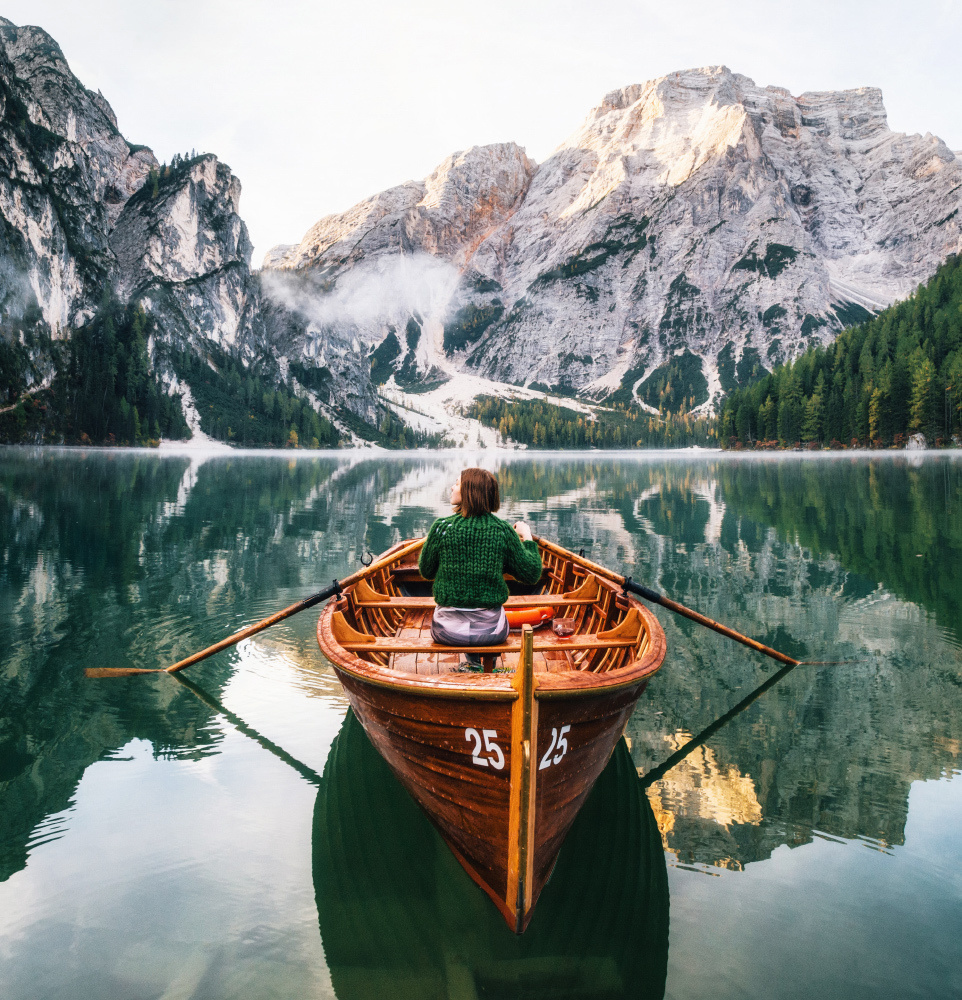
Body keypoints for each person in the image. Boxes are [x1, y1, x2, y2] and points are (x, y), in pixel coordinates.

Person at [418, 468, 543, 669]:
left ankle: (472, 664)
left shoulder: (442, 528)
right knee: (488, 615)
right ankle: (485, 665)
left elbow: (426, 571)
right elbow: (531, 574)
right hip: (491, 632)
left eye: (457, 483)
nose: (452, 487)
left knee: (467, 616)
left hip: (446, 631)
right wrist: (526, 537)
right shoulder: (502, 531)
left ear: (469, 491)